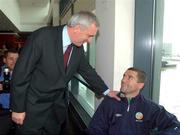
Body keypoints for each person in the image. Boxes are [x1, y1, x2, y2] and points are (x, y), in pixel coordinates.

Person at [10, 11, 120, 135]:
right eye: (89, 36)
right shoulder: (42, 37)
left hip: (56, 109)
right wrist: (18, 108)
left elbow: (87, 70)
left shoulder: (77, 48)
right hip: (31, 107)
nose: (89, 41)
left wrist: (106, 91)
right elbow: (21, 73)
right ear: (77, 28)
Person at [87, 67, 180, 135]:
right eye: (124, 76)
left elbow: (175, 126)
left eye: (129, 78)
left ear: (140, 85)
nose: (123, 80)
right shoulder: (109, 102)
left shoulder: (150, 107)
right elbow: (95, 128)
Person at [0, 48, 19, 135]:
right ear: (4, 60)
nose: (14, 61)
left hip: (20, 112)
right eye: (11, 58)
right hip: (3, 113)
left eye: (17, 59)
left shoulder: (25, 73)